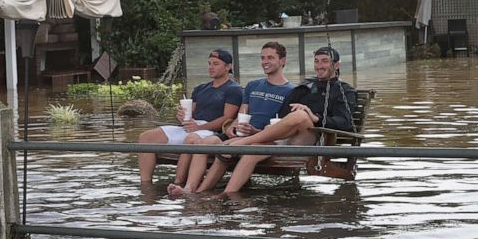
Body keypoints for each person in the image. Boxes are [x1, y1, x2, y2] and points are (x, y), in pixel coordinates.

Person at [174, 45, 356, 196]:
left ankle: (243, 143)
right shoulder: (305, 87)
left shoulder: (343, 90)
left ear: (336, 65)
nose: (319, 65)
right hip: (281, 136)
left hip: (310, 138)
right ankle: (209, 194)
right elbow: (282, 116)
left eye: (325, 61)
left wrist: (313, 116)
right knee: (249, 151)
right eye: (316, 61)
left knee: (300, 115)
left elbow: (345, 122)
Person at [168, 41, 294, 195]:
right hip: (240, 134)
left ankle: (199, 193)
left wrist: (255, 131)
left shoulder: (291, 91)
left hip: (264, 138)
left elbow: (282, 127)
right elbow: (242, 114)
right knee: (203, 144)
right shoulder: (253, 86)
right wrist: (231, 127)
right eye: (262, 58)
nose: (265, 62)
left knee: (225, 151)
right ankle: (189, 189)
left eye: (270, 58)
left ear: (282, 61)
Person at [137, 49, 242, 184]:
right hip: (192, 127)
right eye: (209, 63)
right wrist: (182, 116)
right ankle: (145, 185)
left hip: (210, 131)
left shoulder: (234, 89)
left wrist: (199, 127)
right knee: (146, 137)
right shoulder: (200, 88)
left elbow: (227, 118)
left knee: (190, 138)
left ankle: (178, 183)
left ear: (228, 67)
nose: (211, 67)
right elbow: (190, 112)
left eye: (216, 64)